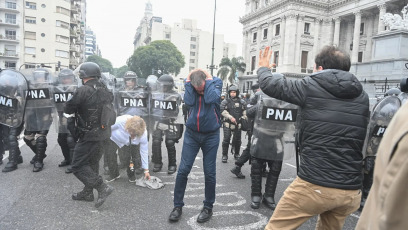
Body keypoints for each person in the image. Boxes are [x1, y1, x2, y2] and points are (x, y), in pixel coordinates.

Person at [258, 46, 370, 230]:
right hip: (350, 191)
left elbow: (271, 85)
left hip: (315, 184)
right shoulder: (362, 95)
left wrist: (263, 69)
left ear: (319, 68)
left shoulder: (311, 85)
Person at [168, 69, 222, 223]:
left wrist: (210, 81)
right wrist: (188, 83)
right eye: (197, 88)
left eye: (202, 88)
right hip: (192, 134)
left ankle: (208, 207)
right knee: (183, 170)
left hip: (211, 135)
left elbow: (211, 98)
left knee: (210, 172)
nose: (200, 91)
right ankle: (177, 206)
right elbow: (190, 102)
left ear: (207, 80)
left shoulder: (216, 82)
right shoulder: (191, 86)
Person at [355, 79, 408, 230]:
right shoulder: (396, 107)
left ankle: (363, 196)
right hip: (377, 148)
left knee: (371, 176)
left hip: (378, 149)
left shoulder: (398, 109)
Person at [64, 62, 115, 208]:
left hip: (89, 135)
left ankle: (102, 187)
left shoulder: (83, 90)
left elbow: (68, 108)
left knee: (78, 165)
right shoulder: (104, 89)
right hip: (104, 134)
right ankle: (87, 193)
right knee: (92, 163)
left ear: (83, 75)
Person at [23, 68, 55, 172]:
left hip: (45, 115)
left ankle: (39, 161)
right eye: (38, 77)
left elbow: (55, 101)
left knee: (40, 137)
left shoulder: (50, 88)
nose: (39, 79)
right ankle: (40, 154)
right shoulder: (28, 87)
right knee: (27, 138)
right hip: (31, 116)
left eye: (41, 77)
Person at [150, 74, 183, 174]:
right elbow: (151, 109)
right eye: (162, 85)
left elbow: (178, 111)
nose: (164, 88)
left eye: (166, 86)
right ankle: (157, 162)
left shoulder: (176, 96)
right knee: (156, 141)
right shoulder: (154, 94)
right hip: (158, 121)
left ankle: (172, 164)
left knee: (170, 142)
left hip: (170, 122)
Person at [104, 115, 150, 183]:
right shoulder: (120, 121)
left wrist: (146, 171)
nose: (131, 134)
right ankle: (114, 174)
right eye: (130, 131)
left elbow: (144, 151)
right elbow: (107, 129)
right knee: (110, 155)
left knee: (130, 158)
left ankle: (131, 175)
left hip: (129, 143)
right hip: (114, 138)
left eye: (134, 133)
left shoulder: (143, 134)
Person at [230, 83, 260, 179]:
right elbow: (249, 112)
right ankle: (238, 167)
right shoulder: (257, 98)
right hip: (256, 128)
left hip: (258, 128)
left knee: (252, 148)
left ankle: (260, 169)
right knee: (252, 148)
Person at [54, 69, 78, 173]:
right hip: (61, 117)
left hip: (73, 117)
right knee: (61, 139)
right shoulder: (57, 90)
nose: (66, 80)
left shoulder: (77, 89)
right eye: (64, 78)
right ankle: (67, 159)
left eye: (68, 78)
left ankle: (74, 163)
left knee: (71, 140)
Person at [220, 85, 247, 162]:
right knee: (226, 139)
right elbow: (222, 111)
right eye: (231, 92)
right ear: (229, 93)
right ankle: (224, 155)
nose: (232, 94)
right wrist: (230, 117)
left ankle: (237, 154)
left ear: (237, 93)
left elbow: (245, 112)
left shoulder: (242, 102)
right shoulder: (225, 102)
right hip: (228, 124)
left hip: (238, 124)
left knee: (238, 140)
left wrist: (244, 118)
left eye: (234, 92)